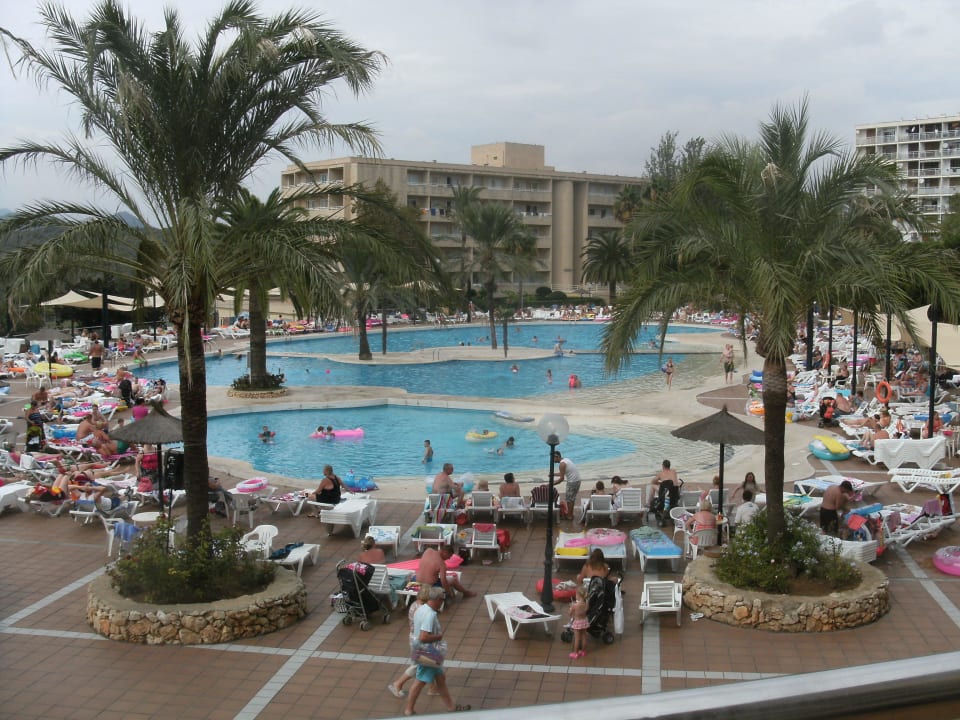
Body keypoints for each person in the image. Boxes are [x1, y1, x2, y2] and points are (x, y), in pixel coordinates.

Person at [404, 586, 470, 715]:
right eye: (442, 600)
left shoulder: (421, 609)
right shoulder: (430, 615)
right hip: (428, 652)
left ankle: (451, 707)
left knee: (440, 678)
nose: (443, 602)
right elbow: (424, 636)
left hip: (425, 651)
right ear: (438, 599)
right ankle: (409, 710)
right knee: (420, 682)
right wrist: (438, 636)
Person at [388, 586, 435, 700]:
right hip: (420, 640)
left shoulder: (414, 605)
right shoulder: (424, 610)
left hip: (413, 637)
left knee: (430, 664)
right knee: (419, 665)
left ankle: (434, 688)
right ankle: (398, 684)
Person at [553, 451, 581, 520]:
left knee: (569, 500)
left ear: (557, 456)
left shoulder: (562, 464)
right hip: (577, 480)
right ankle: (570, 514)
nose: (552, 460)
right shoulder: (566, 460)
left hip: (572, 482)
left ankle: (569, 516)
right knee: (572, 499)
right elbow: (563, 473)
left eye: (553, 458)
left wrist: (551, 484)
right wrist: (553, 474)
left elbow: (561, 479)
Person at [568, 584, 590, 659]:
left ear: (578, 595)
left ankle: (575, 653)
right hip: (584, 621)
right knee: (584, 636)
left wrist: (571, 607)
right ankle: (583, 651)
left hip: (577, 622)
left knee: (577, 638)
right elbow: (586, 610)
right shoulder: (586, 603)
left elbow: (570, 614)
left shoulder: (575, 605)